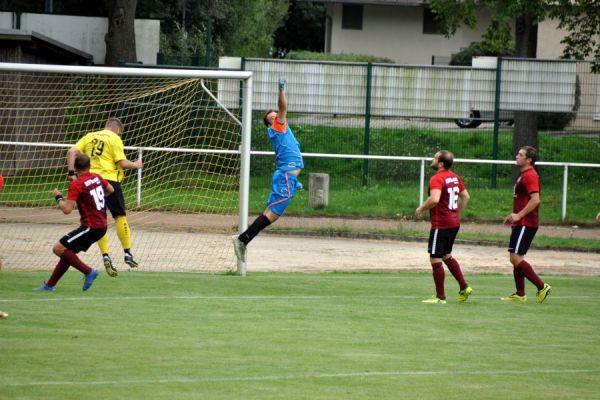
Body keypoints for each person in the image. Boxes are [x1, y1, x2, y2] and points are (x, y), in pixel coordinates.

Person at [232, 77, 303, 263]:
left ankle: (243, 240)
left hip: (287, 178)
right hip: (286, 177)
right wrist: (281, 90)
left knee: (269, 214)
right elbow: (283, 108)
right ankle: (242, 240)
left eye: (276, 116)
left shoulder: (282, 129)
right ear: (270, 123)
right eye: (272, 117)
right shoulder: (278, 127)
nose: (276, 117)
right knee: (272, 215)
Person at [67, 118, 142, 277]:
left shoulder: (89, 136)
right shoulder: (115, 139)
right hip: (110, 182)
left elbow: (71, 151)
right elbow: (122, 163)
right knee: (120, 216)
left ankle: (105, 255)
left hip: (90, 183)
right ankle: (127, 252)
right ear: (117, 130)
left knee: (99, 220)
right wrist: (136, 165)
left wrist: (71, 174)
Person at [35, 154, 114, 292]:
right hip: (101, 225)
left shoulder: (77, 184)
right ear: (90, 165)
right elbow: (110, 190)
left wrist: (58, 197)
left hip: (91, 226)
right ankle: (50, 285)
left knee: (58, 248)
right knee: (67, 252)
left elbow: (66, 209)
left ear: (75, 167)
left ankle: (89, 271)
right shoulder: (97, 177)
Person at [416, 150, 472, 304]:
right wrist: (455, 212)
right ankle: (464, 287)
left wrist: (421, 208)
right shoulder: (454, 177)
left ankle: (440, 297)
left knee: (435, 258)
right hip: (453, 222)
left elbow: (434, 199)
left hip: (441, 224)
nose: (432, 160)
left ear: (440, 163)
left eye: (435, 158)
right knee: (446, 255)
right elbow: (466, 196)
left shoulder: (437, 178)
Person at [501, 146, 551, 303]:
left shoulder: (530, 175)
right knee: (516, 257)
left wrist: (518, 216)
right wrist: (514, 216)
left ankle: (542, 286)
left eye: (520, 155)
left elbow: (536, 199)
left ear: (528, 160)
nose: (517, 156)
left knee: (515, 258)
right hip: (521, 222)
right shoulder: (524, 175)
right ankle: (520, 293)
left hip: (526, 222)